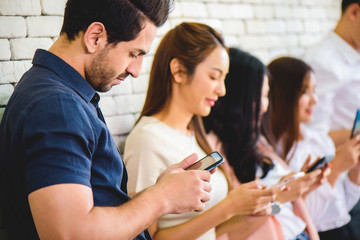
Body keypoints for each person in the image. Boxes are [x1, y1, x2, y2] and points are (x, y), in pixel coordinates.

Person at [0, 1, 215, 239]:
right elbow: (71, 234)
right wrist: (162, 199)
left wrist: (162, 190)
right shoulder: (58, 108)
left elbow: (96, 210)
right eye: (133, 53)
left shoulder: (66, 98)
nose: (136, 70)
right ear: (95, 37)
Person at [124, 22, 279, 240]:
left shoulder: (196, 135)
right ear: (178, 71)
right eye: (214, 77)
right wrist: (227, 208)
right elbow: (146, 236)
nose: (222, 90)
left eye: (224, 79)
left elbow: (209, 230)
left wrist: (247, 208)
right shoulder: (148, 139)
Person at [203, 48, 322, 240]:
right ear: (238, 97)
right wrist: (277, 198)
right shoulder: (214, 153)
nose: (265, 106)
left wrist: (298, 190)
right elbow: (228, 231)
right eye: (260, 96)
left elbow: (288, 210)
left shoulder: (255, 143)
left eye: (267, 96)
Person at [265, 56, 360, 240]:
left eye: (314, 91)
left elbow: (341, 209)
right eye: (305, 92)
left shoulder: (318, 140)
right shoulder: (272, 154)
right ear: (284, 95)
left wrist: (355, 170)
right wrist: (337, 167)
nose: (314, 101)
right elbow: (305, 217)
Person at [302, 1, 360, 237]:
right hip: (332, 192)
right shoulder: (321, 61)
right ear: (354, 12)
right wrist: (353, 134)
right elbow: (310, 135)